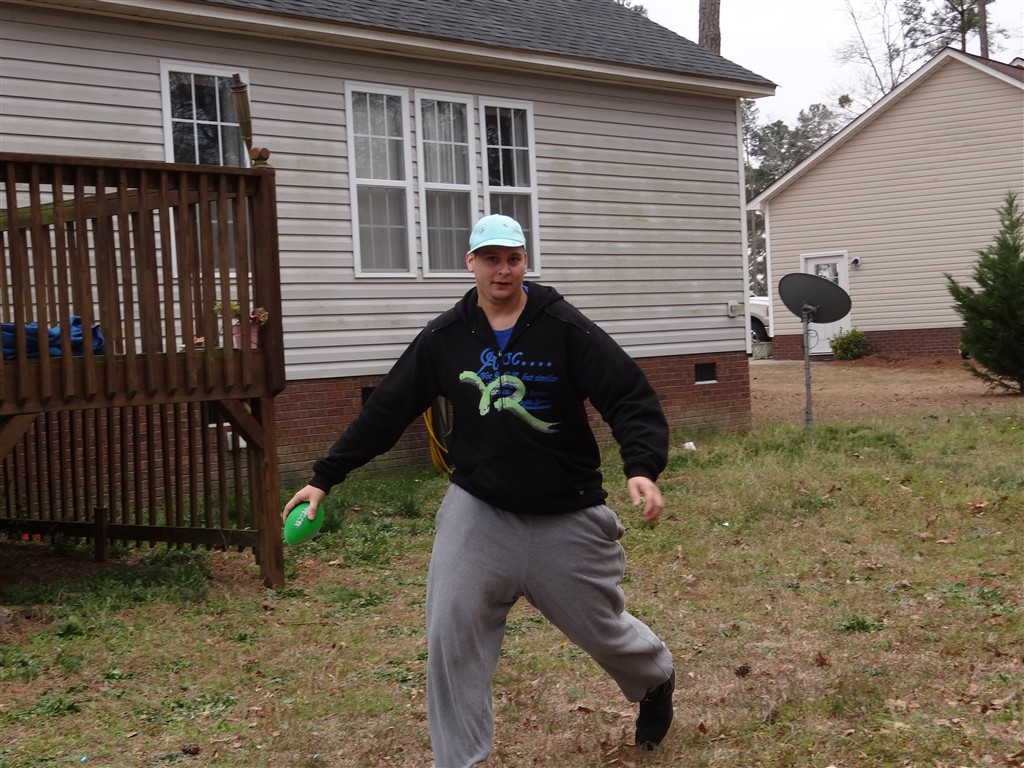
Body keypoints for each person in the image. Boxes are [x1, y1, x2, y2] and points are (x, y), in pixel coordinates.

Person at [283, 214, 675, 767]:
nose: (503, 269)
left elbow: (629, 395)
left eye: (513, 258)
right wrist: (324, 477)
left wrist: (642, 466)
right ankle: (459, 760)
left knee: (602, 630)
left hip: (565, 510)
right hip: (479, 508)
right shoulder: (445, 337)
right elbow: (388, 408)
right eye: (491, 258)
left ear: (524, 261)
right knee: (452, 634)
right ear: (471, 262)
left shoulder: (564, 327)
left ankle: (655, 678)